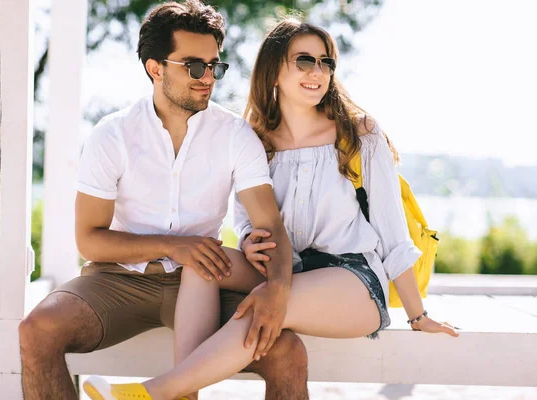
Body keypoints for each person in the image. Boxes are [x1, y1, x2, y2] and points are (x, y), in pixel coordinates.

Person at [83, 17, 460, 400]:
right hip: (285, 266)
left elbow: (393, 234)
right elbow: (246, 217)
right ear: (274, 70)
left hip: (352, 278)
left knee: (269, 302)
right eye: (304, 61)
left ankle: (151, 393)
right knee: (203, 262)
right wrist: (247, 240)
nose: (318, 72)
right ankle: (181, 396)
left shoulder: (360, 133)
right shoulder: (254, 138)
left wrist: (418, 316)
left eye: (325, 62)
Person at [18, 2, 311, 400]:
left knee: (286, 352)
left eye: (215, 66)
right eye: (194, 66)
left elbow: (269, 224)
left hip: (205, 279)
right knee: (37, 329)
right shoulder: (113, 135)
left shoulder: (235, 135)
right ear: (155, 68)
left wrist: (277, 286)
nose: (208, 77)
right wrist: (173, 246)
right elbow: (89, 239)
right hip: (118, 281)